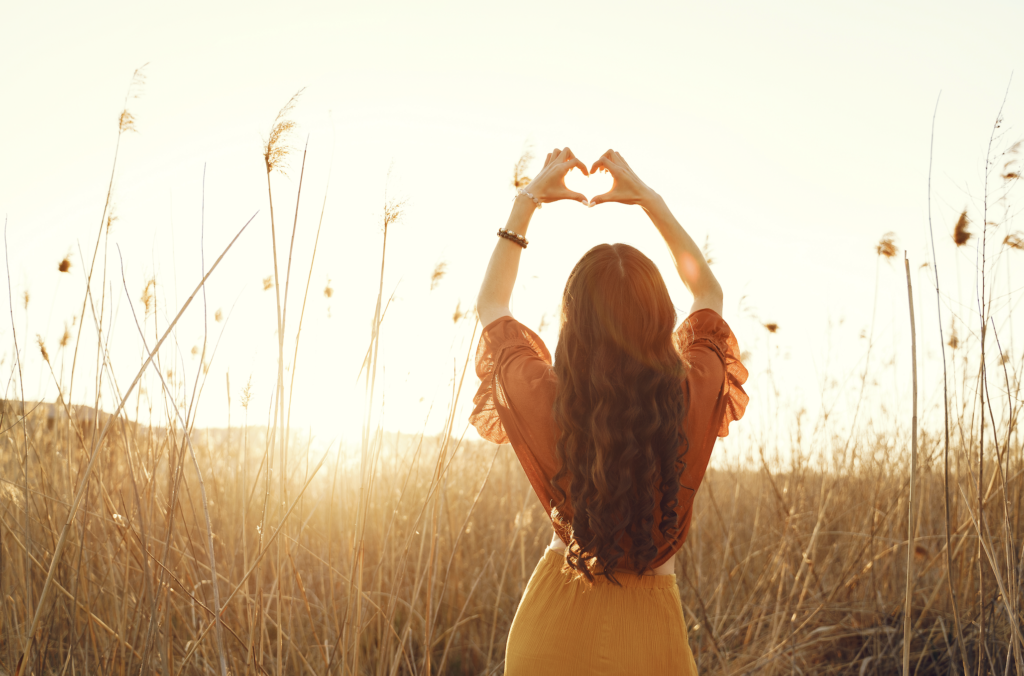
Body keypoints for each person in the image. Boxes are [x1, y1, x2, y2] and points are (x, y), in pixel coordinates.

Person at [471, 147, 749, 675]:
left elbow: (492, 305)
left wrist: (527, 201)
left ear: (573, 326)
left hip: (552, 624)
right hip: (650, 642)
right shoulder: (690, 394)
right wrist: (649, 200)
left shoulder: (551, 400)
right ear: (660, 318)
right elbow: (707, 291)